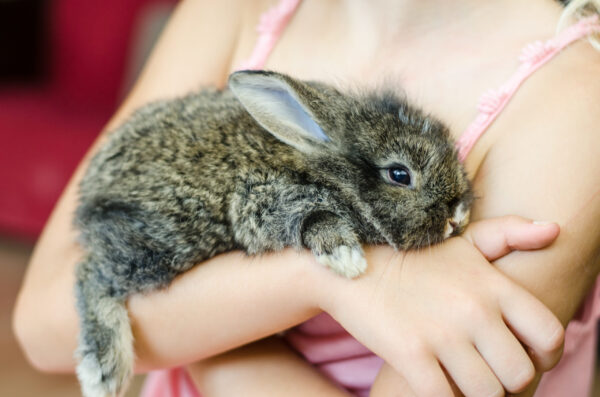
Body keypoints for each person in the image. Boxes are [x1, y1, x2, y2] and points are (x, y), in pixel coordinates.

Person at [12, 0, 600, 396]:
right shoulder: (234, 10)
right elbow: (43, 323)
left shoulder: (571, 104)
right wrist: (328, 279)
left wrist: (203, 333)